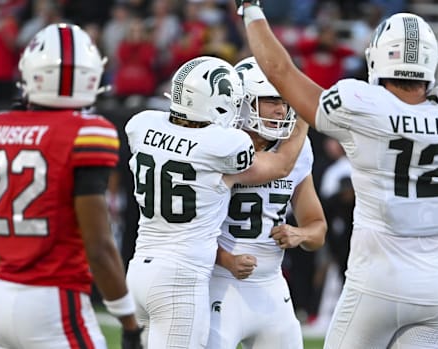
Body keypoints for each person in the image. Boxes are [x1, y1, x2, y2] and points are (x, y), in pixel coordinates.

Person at [234, 0, 438, 347]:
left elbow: (279, 70)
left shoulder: (362, 106)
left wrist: (251, 10)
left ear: (378, 58)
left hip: (377, 279)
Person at [0, 23, 142, 349]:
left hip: (0, 294)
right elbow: (100, 247)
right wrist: (128, 321)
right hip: (54, 301)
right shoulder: (87, 132)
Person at [124, 55, 308, 348]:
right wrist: (304, 118)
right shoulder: (223, 146)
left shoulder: (143, 125)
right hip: (180, 277)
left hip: (138, 271)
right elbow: (281, 166)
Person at [206, 56, 327, 348]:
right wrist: (227, 260)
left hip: (271, 287)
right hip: (217, 283)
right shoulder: (219, 145)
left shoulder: (298, 150)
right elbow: (190, 232)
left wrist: (299, 234)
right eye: (271, 100)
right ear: (244, 102)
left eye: (285, 101)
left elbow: (317, 228)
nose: (281, 109)